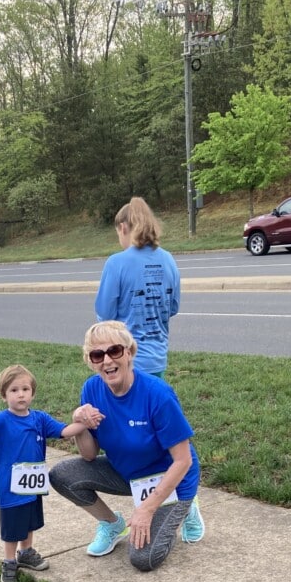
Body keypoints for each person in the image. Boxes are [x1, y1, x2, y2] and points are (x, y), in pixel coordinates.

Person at [49, 321, 200, 572]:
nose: (107, 361)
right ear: (91, 361)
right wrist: (80, 423)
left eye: (115, 351)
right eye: (98, 355)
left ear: (129, 352)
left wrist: (147, 510)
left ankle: (185, 507)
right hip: (128, 474)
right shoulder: (91, 389)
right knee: (63, 474)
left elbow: (183, 460)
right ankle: (111, 524)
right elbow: (88, 454)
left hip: (171, 478)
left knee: (143, 559)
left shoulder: (157, 395)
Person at [95, 196, 204, 543]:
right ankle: (185, 502)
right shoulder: (169, 259)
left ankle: (185, 502)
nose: (119, 239)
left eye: (118, 232)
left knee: (157, 439)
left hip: (124, 362)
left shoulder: (117, 263)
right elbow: (173, 306)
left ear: (124, 228)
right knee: (165, 433)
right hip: (157, 356)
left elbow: (103, 312)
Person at [0, 364, 86, 582]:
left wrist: (84, 424)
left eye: (25, 389)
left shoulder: (39, 419)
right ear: (3, 395)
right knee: (12, 526)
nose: (20, 394)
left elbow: (63, 431)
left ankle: (26, 552)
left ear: (33, 393)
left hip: (33, 486)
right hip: (10, 488)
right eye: (14, 390)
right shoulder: (0, 421)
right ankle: (9, 561)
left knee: (29, 521)